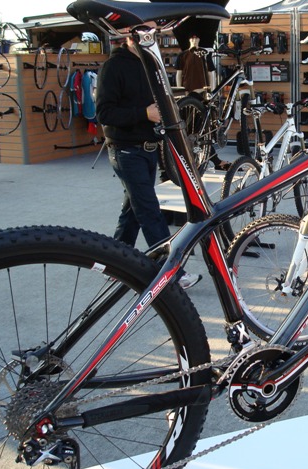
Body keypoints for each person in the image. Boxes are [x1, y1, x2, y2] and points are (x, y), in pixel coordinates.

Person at [96, 36, 201, 290]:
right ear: (129, 36)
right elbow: (104, 113)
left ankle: (115, 264)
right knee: (149, 210)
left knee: (133, 211)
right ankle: (172, 273)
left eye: (152, 33)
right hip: (125, 150)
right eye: (142, 33)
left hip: (148, 148)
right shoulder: (113, 66)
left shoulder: (150, 63)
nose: (148, 37)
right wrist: (144, 113)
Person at [174, 34, 231, 171]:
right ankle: (211, 160)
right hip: (187, 94)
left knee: (201, 127)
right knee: (191, 127)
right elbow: (178, 73)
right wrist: (180, 90)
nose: (194, 40)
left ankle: (211, 160)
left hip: (202, 93)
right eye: (192, 38)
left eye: (197, 38)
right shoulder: (183, 55)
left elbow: (211, 73)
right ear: (189, 40)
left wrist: (212, 92)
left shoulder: (205, 54)